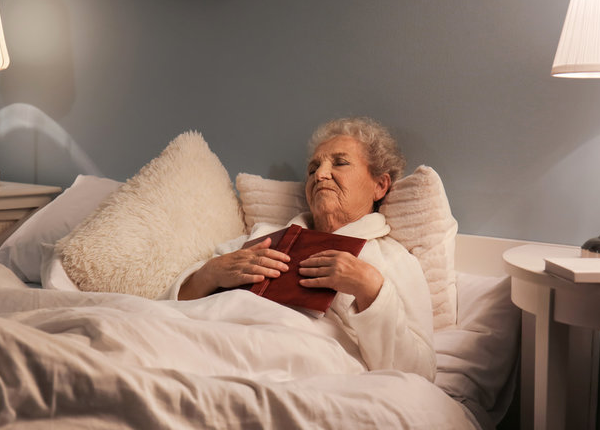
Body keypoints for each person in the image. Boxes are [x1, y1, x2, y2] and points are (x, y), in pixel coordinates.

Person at [167, 117, 435, 380]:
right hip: (204, 342)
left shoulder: (394, 260)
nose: (320, 174)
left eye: (340, 163)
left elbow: (419, 373)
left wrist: (370, 289)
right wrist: (210, 274)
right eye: (312, 169)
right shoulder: (262, 236)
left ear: (380, 185)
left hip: (294, 360)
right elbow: (167, 309)